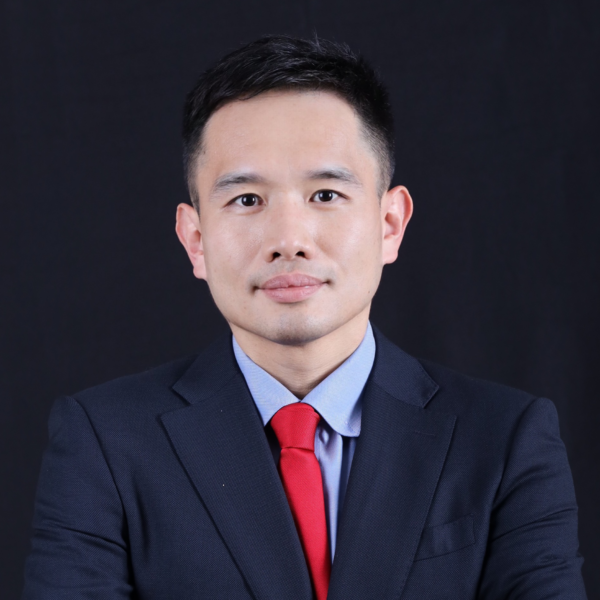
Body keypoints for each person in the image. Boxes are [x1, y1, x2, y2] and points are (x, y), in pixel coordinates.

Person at [22, 35, 586, 599]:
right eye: (247, 200)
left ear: (390, 224)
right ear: (195, 240)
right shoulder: (104, 443)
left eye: (326, 195)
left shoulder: (504, 439)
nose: (288, 240)